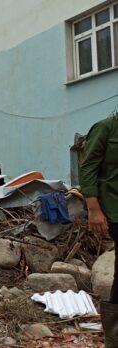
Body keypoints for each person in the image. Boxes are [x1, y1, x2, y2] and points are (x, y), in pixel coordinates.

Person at [80, 111, 118, 346]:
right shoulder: (106, 128)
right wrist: (93, 208)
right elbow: (88, 168)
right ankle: (114, 337)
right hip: (114, 206)